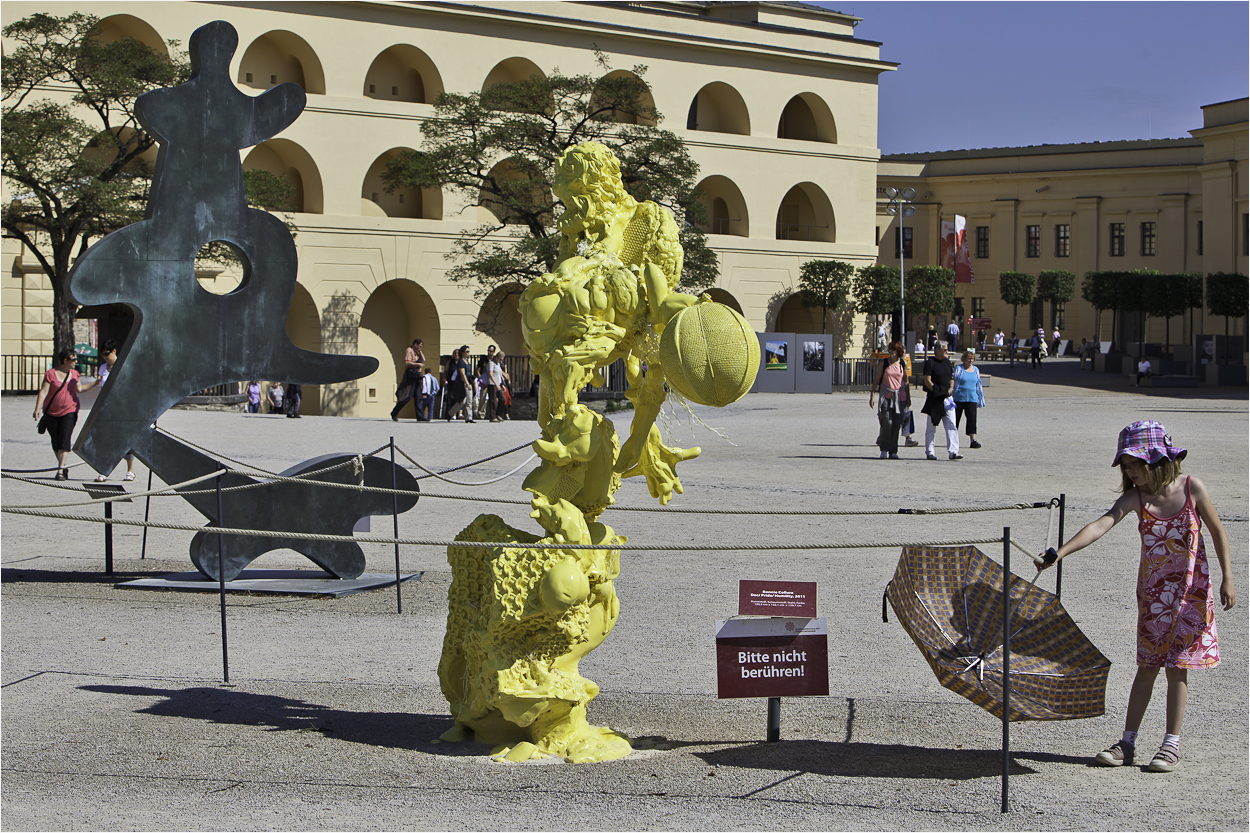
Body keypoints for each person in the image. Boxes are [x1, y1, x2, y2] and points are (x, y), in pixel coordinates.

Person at [1037, 421, 1234, 773]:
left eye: (1133, 464)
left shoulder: (1192, 488)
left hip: (1191, 596)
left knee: (1177, 669)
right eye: (1125, 466)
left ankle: (1170, 745)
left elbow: (1218, 532)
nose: (1129, 471)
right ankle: (1127, 742)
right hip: (1154, 599)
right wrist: (1060, 553)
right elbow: (1100, 524)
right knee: (1147, 667)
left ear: (1156, 459)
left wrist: (1228, 579)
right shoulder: (1134, 498)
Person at [33, 349, 99, 481]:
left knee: (65, 439)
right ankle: (62, 466)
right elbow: (44, 391)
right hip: (51, 412)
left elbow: (79, 389)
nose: (76, 362)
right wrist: (37, 408)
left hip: (70, 411)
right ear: (65, 361)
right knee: (55, 442)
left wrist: (95, 384)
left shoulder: (75, 374)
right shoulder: (51, 374)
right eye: (73, 359)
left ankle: (60, 470)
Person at [94, 340, 138, 481]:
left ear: (114, 351)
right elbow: (102, 388)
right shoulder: (103, 368)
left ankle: (130, 470)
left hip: (123, 408)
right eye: (102, 355)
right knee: (106, 441)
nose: (105, 357)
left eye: (107, 354)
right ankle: (104, 470)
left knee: (125, 440)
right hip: (108, 408)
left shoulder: (124, 364)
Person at [869, 342, 910, 459]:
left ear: (898, 351)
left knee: (896, 424)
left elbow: (906, 381)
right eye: (890, 349)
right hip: (886, 396)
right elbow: (876, 380)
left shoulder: (903, 363)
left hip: (900, 397)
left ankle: (893, 450)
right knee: (887, 421)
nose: (890, 351)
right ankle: (884, 448)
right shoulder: (884, 363)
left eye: (893, 349)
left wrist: (908, 397)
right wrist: (872, 396)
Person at [920, 341, 960, 460]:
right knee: (932, 425)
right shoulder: (930, 362)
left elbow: (951, 378)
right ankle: (930, 451)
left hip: (947, 398)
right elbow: (927, 380)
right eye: (945, 350)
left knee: (951, 423)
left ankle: (953, 451)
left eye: (947, 349)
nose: (947, 352)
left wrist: (951, 388)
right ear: (937, 350)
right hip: (934, 398)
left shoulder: (947, 362)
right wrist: (936, 391)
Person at [952, 351, 985, 449]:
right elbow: (954, 382)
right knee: (955, 420)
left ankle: (973, 440)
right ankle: (953, 439)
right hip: (959, 398)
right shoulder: (958, 369)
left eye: (972, 359)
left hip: (972, 398)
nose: (970, 361)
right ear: (964, 359)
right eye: (969, 359)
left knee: (972, 419)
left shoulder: (975, 370)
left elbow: (978, 384)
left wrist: (980, 398)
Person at [390, 338, 426, 421]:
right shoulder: (409, 350)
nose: (419, 348)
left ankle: (421, 417)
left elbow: (423, 359)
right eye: (419, 346)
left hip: (417, 375)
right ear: (415, 344)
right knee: (407, 396)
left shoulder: (416, 352)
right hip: (411, 374)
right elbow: (407, 362)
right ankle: (394, 412)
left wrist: (420, 351)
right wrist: (417, 364)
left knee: (418, 397)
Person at [446, 345, 475, 423]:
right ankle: (468, 418)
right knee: (466, 400)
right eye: (467, 351)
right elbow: (462, 374)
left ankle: (451, 413)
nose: (468, 353)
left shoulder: (467, 361)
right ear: (462, 352)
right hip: (463, 383)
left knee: (464, 401)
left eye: (469, 351)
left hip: (468, 381)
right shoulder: (461, 361)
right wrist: (467, 383)